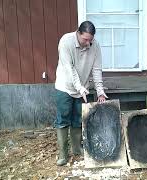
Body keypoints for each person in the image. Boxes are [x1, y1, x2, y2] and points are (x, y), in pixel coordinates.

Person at [54, 21, 108, 166]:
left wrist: (100, 91)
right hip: (65, 87)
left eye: (91, 39)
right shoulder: (66, 42)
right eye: (85, 39)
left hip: (82, 89)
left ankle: (77, 149)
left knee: (78, 119)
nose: (88, 43)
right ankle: (63, 155)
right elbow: (68, 68)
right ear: (78, 33)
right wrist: (79, 87)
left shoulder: (94, 45)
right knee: (63, 119)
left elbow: (97, 70)